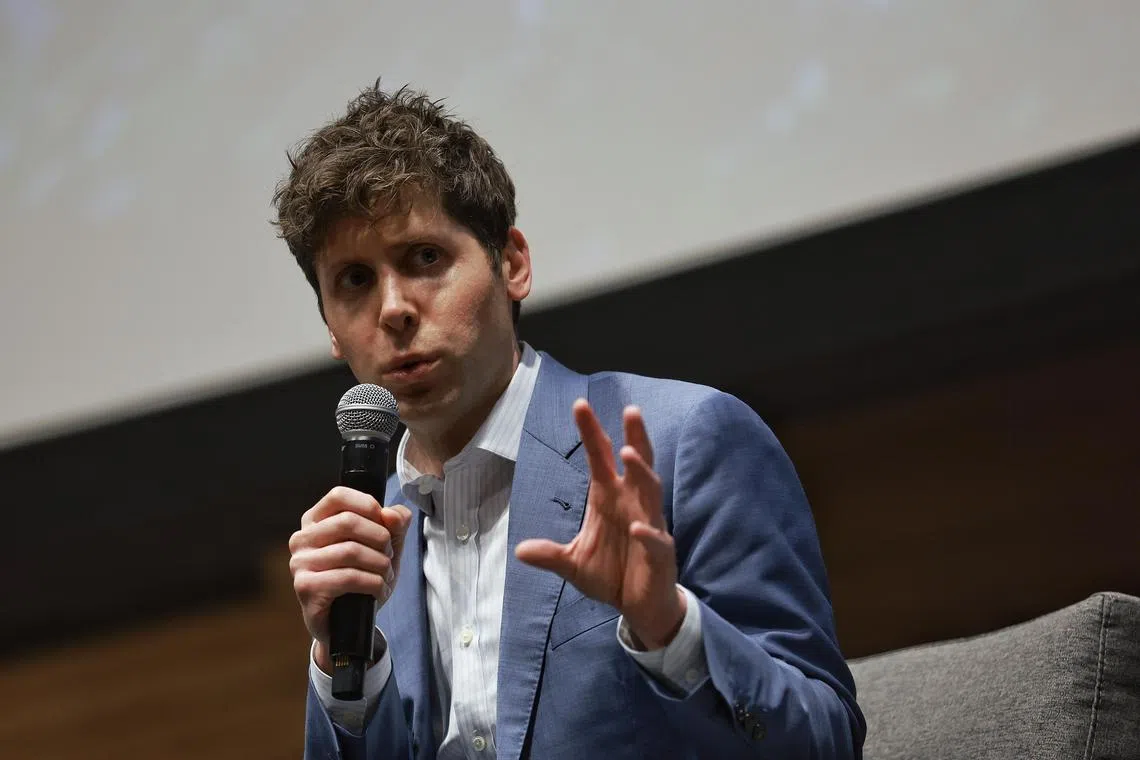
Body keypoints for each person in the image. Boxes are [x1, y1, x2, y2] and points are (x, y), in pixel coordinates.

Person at [273, 81, 865, 760]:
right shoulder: (364, 544)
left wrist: (669, 629)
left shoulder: (686, 441)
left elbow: (825, 740)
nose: (394, 309)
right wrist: (341, 667)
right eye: (354, 280)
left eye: (425, 259)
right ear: (331, 328)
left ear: (512, 265)